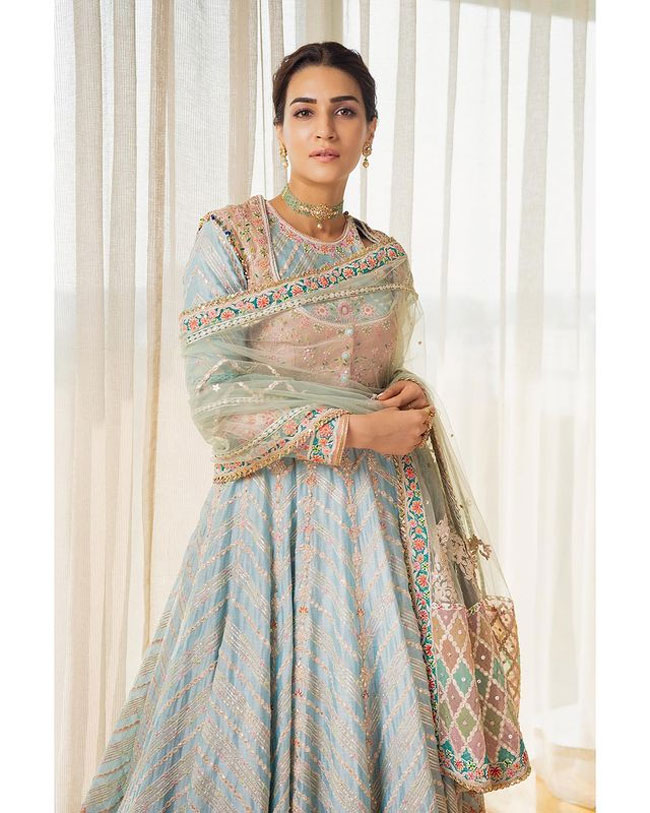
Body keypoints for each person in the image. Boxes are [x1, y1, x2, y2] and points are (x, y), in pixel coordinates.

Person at [81, 41, 531, 813]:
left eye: (344, 111)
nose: (325, 128)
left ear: (370, 131)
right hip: (262, 524)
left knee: (376, 699)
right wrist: (355, 431)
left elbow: (388, 369)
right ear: (282, 130)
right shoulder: (232, 238)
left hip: (377, 532)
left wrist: (409, 394)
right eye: (305, 111)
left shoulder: (383, 257)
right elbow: (216, 398)